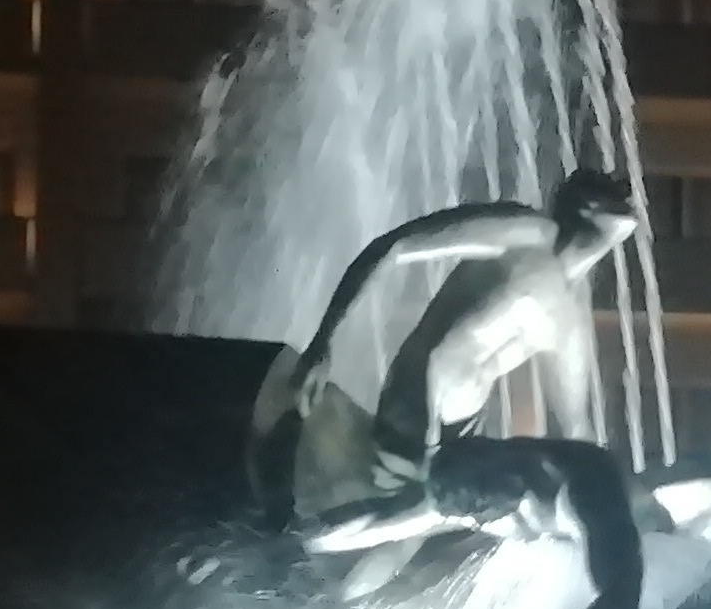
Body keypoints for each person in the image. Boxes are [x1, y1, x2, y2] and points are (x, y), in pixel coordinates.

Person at [252, 164, 641, 542]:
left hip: (461, 429)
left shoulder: (570, 315)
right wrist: (323, 343)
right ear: (587, 207)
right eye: (615, 194)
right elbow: (394, 247)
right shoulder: (525, 233)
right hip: (416, 405)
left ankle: (309, 544)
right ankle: (292, 538)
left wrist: (611, 502)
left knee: (425, 518)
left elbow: (577, 429)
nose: (631, 202)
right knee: (408, 511)